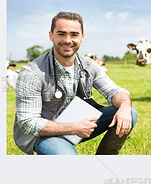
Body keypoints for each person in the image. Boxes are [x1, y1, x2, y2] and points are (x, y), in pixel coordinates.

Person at [14, 11, 138, 155]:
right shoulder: (32, 72)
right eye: (61, 34)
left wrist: (124, 106)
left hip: (78, 125)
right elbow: (27, 123)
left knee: (129, 112)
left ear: (82, 37)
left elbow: (114, 91)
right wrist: (73, 128)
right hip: (43, 134)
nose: (67, 40)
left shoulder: (89, 65)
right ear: (51, 35)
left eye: (74, 34)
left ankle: (104, 158)